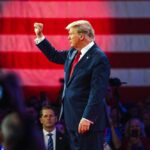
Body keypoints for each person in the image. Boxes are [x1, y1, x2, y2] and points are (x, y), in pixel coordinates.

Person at [34, 20, 110, 150]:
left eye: (71, 34)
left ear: (81, 36)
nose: (68, 37)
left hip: (87, 122)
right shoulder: (73, 52)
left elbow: (97, 91)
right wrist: (40, 37)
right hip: (72, 119)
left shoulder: (99, 58)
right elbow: (54, 56)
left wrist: (87, 117)